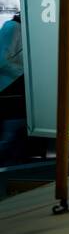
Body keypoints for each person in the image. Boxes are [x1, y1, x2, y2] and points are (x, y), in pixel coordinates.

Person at [0, 13, 26, 164]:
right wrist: (25, 73)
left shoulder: (19, 28)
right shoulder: (12, 27)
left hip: (16, 87)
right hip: (10, 87)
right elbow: (2, 60)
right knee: (11, 131)